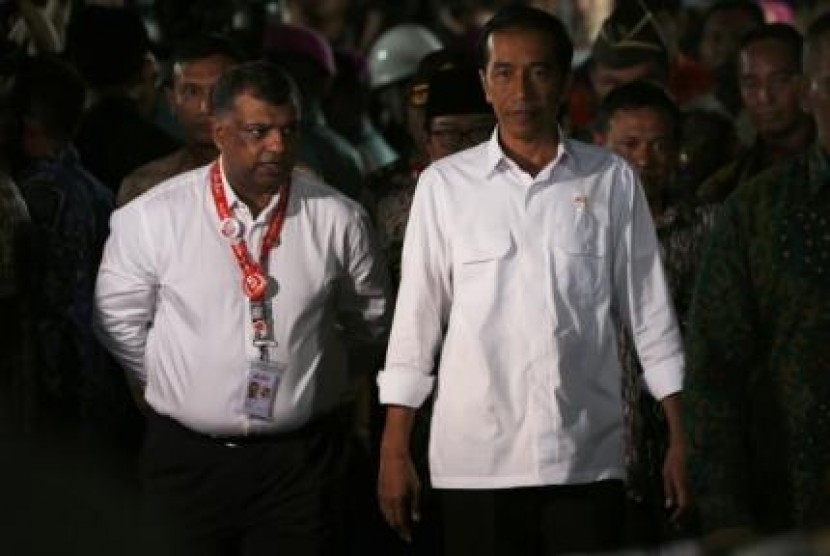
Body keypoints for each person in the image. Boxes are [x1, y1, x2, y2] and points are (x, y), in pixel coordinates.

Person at [376, 6, 688, 556]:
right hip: (475, 462)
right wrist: (394, 447)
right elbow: (416, 324)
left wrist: (681, 434)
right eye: (504, 72)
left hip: (586, 456)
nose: (521, 89)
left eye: (539, 72)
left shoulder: (611, 178)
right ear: (485, 85)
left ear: (565, 82)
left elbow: (652, 316)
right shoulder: (446, 187)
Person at [93, 61, 390, 556]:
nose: (277, 145)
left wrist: (316, 376)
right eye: (258, 131)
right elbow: (117, 320)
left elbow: (370, 321)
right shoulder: (153, 217)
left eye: (287, 130)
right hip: (187, 462)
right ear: (220, 132)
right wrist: (175, 380)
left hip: (300, 464)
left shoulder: (338, 219)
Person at [684, 12, 830, 551]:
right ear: (811, 93)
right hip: (792, 501)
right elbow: (714, 367)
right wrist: (724, 511)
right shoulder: (755, 211)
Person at [596, 80, 716, 547]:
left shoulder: (709, 227)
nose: (644, 159)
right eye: (629, 144)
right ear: (601, 145)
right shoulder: (576, 229)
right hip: (598, 455)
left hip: (681, 442)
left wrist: (686, 439)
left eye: (659, 145)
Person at [117, 34, 245, 207]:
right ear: (171, 101)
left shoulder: (281, 184)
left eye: (220, 91)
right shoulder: (145, 188)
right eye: (192, 91)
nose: (205, 107)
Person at [698, 23, 814, 204]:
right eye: (751, 84)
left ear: (806, 81)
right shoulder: (727, 185)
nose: (765, 97)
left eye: (779, 81)